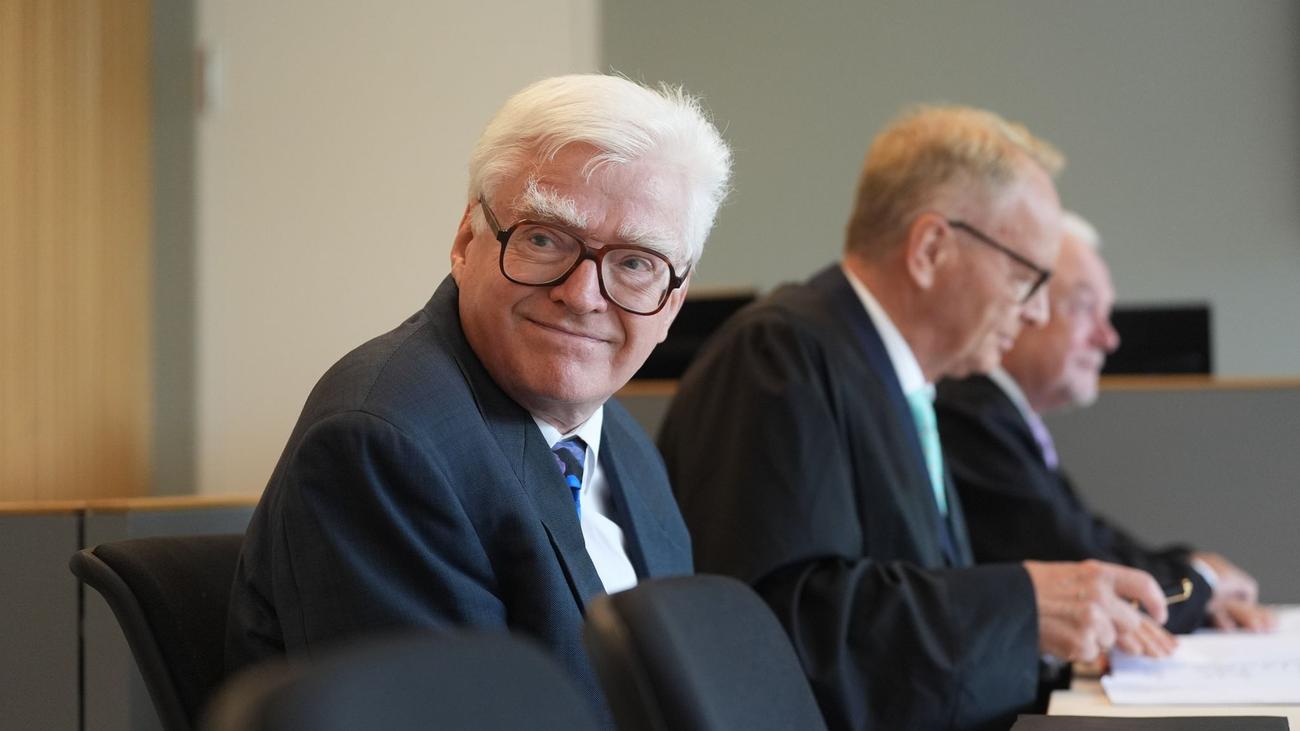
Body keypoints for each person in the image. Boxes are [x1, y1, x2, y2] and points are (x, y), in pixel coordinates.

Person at [225, 74, 732, 722]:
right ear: (467, 241)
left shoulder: (624, 446)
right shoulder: (382, 443)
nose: (582, 295)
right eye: (544, 237)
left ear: (673, 302)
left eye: (636, 263)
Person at [658, 105, 1175, 731]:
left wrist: (1043, 642)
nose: (1036, 314)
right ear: (931, 249)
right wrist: (1023, 609)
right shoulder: (779, 356)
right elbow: (785, 629)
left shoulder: (900, 385)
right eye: (1025, 278)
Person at [936, 212, 1275, 634]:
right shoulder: (971, 414)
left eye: (1106, 312)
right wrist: (1199, 583)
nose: (1108, 338)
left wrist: (1191, 574)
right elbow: (1078, 566)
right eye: (1084, 308)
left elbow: (1089, 536)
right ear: (1024, 304)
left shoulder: (1004, 416)